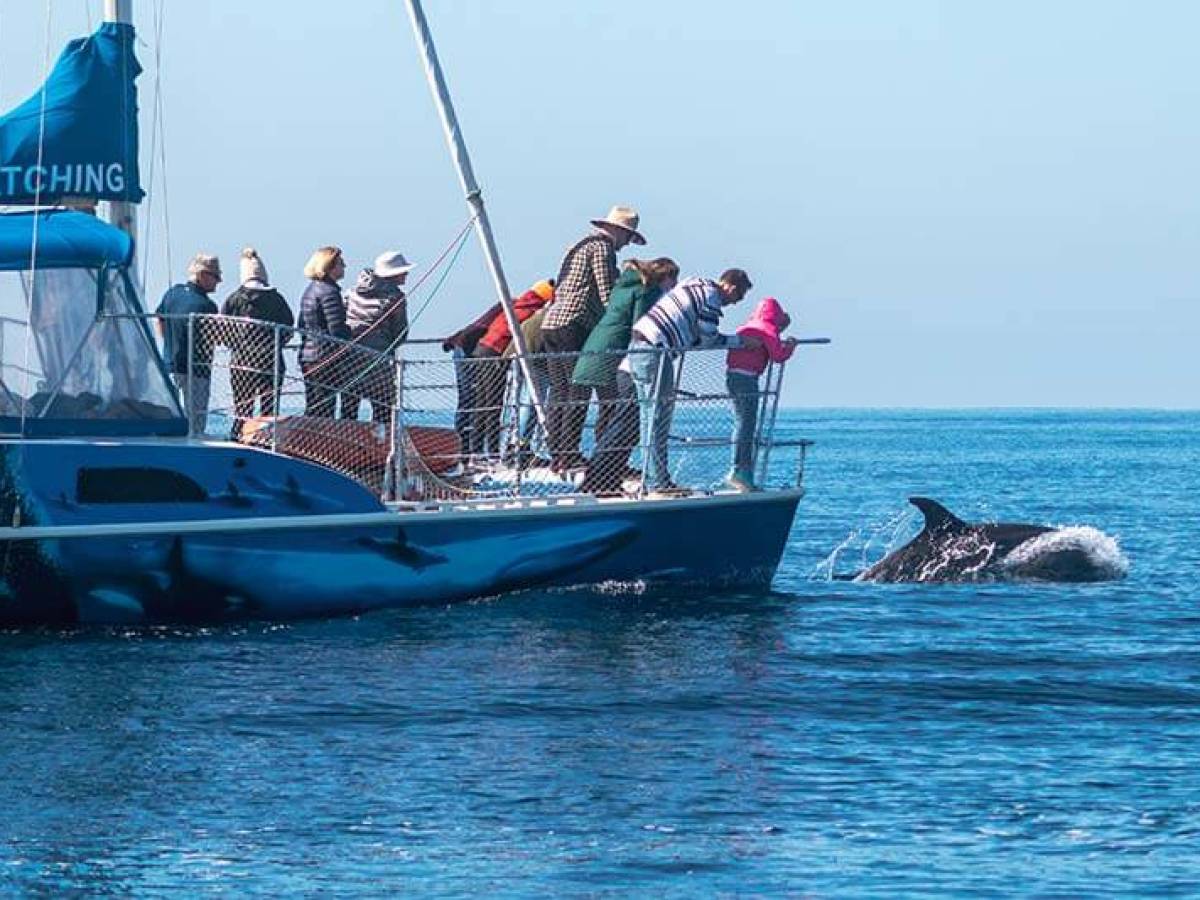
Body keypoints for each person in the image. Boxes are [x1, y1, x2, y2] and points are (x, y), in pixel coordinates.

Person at [625, 268, 753, 495]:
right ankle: (659, 482)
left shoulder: (695, 282)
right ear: (731, 287)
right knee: (657, 418)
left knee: (648, 417)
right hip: (656, 350)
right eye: (738, 297)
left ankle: (653, 477)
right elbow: (708, 338)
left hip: (640, 347)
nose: (734, 303)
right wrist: (740, 341)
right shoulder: (711, 297)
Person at [540, 205, 645, 471]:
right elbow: (607, 290)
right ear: (618, 231)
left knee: (560, 391)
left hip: (552, 321)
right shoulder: (602, 248)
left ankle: (559, 453)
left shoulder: (579, 244)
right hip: (573, 323)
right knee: (578, 389)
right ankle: (570, 454)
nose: (626, 245)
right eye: (627, 238)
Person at [575, 258, 679, 494]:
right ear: (665, 277)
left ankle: (606, 477)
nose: (674, 287)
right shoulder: (647, 292)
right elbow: (644, 327)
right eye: (673, 280)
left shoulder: (624, 286)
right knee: (625, 422)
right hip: (622, 358)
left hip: (597, 352)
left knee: (616, 418)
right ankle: (600, 477)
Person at [469, 279, 555, 460]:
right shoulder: (531, 312)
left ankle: (475, 450)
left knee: (482, 403)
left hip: (482, 348)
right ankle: (490, 452)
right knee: (493, 403)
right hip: (495, 353)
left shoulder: (517, 305)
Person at [724, 297, 798, 491]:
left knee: (740, 422)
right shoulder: (768, 330)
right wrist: (790, 346)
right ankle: (742, 471)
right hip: (748, 380)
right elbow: (778, 356)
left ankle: (737, 467)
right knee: (747, 425)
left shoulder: (746, 327)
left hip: (732, 377)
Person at [219, 248, 294, 439]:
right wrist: (277, 343)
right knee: (269, 407)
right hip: (270, 359)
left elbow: (221, 326)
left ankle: (238, 436)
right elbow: (288, 325)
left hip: (242, 360)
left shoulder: (234, 299)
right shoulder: (276, 299)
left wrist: (234, 343)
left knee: (242, 405)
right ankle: (267, 439)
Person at [342, 251, 413, 427]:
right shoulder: (395, 298)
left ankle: (343, 448)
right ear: (394, 274)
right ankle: (380, 447)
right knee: (383, 410)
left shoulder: (351, 293)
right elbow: (400, 333)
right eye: (404, 271)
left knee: (348, 409)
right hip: (378, 360)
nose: (407, 274)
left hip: (349, 359)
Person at [156, 253, 220, 434]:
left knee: (171, 417)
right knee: (196, 425)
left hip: (170, 365)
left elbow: (159, 319)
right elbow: (212, 337)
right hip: (197, 371)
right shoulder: (207, 306)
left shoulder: (171, 293)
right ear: (203, 275)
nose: (218, 282)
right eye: (215, 277)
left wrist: (168, 343)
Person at [443, 301, 503, 454]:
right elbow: (476, 331)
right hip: (467, 350)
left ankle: (465, 446)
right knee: (470, 398)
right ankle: (465, 446)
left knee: (468, 399)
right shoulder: (509, 311)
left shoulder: (502, 309)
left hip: (465, 347)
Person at [296, 245, 348, 418]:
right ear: (330, 266)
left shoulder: (310, 290)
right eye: (341, 263)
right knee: (324, 407)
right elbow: (337, 330)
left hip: (309, 355)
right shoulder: (330, 292)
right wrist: (353, 333)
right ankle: (318, 443)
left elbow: (301, 324)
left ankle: (308, 441)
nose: (344, 266)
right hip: (325, 358)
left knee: (314, 404)